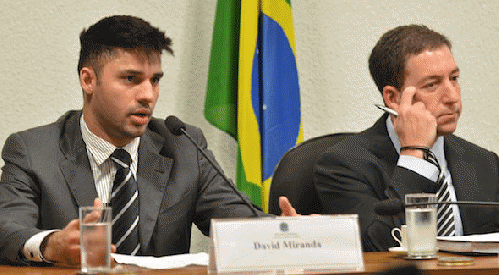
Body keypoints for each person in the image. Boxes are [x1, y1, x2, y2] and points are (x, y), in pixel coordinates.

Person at [0, 15, 296, 266]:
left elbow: (239, 220)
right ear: (88, 80)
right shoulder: (33, 151)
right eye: (131, 79)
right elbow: (6, 229)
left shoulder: (183, 145)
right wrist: (51, 245)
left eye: (154, 80)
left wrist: (288, 232)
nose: (148, 95)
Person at [314, 25, 499, 252]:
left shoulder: (485, 163)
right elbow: (378, 246)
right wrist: (414, 153)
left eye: (454, 78)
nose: (452, 97)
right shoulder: (342, 166)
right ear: (392, 97)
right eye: (432, 85)